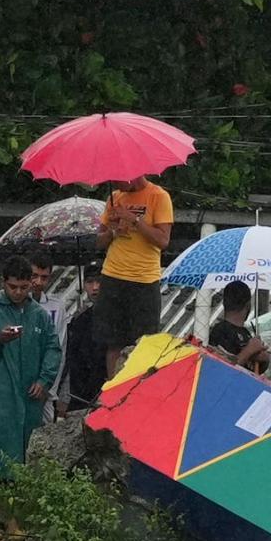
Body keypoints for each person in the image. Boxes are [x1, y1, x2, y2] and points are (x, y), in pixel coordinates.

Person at [0, 255, 62, 541]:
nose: (19, 292)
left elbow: (53, 349)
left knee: (19, 460)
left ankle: (12, 520)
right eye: (13, 287)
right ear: (3, 283)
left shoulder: (38, 314)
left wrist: (44, 380)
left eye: (23, 287)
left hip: (29, 397)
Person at [96, 173, 173, 379]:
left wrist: (135, 220)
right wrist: (112, 231)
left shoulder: (159, 196)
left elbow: (163, 240)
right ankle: (112, 387)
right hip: (113, 275)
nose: (117, 183)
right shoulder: (115, 198)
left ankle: (137, 388)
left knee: (144, 342)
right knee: (113, 342)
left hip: (144, 280)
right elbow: (98, 242)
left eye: (120, 177)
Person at [58, 274, 108, 411]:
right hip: (80, 396)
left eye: (99, 281)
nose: (95, 287)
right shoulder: (79, 320)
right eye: (90, 282)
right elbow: (71, 360)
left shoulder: (117, 318)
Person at [206, 281, 268, 373]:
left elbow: (254, 368)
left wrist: (263, 358)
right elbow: (223, 369)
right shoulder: (220, 332)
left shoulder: (246, 332)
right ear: (248, 305)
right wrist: (249, 351)